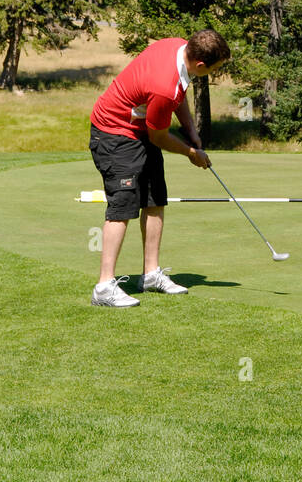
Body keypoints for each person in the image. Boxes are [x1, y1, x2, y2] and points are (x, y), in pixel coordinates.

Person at [88, 29, 231, 308]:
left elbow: (178, 94)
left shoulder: (178, 47)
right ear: (200, 64)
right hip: (114, 133)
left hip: (139, 129)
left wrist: (191, 129)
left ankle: (151, 275)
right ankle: (104, 287)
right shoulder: (165, 86)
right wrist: (192, 153)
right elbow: (159, 136)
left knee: (155, 198)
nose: (211, 73)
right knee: (123, 206)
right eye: (213, 69)